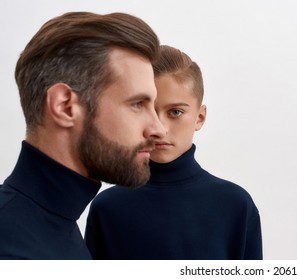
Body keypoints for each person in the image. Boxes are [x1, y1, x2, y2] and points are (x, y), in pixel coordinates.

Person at [0, 12, 165, 259]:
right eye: (137, 104)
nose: (159, 129)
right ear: (65, 106)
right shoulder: (13, 247)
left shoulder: (56, 229)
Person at [85, 45, 263, 260]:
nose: (160, 127)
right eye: (144, 108)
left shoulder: (236, 206)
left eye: (176, 112)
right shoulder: (107, 209)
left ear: (200, 117)